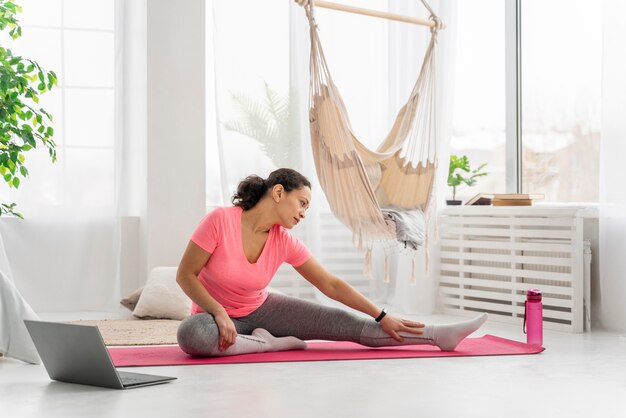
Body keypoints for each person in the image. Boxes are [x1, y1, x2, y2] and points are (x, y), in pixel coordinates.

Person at [176, 168, 487, 357]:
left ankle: (437, 335)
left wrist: (381, 314)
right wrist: (218, 311)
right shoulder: (219, 221)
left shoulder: (284, 240)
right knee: (191, 335)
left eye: (307, 208)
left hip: (261, 309)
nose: (303, 213)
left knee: (343, 323)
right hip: (211, 318)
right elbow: (185, 275)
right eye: (302, 203)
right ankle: (268, 345)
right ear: (278, 193)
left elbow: (330, 284)